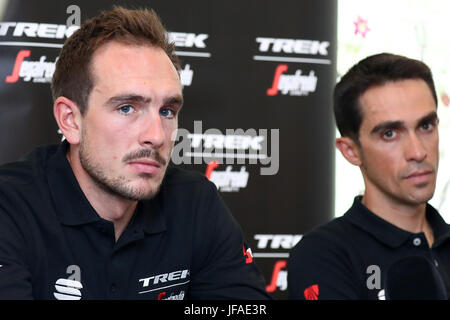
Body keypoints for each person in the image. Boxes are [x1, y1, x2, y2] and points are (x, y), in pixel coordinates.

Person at [0, 6, 270, 300]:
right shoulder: (10, 207)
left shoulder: (194, 203)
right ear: (70, 120)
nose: (155, 136)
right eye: (127, 108)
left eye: (167, 111)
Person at [288, 53, 450, 300]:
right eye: (389, 134)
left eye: (426, 126)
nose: (418, 152)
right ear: (351, 151)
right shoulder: (324, 255)